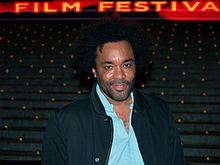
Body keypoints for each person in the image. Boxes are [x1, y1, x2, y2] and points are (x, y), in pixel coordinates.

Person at [42, 16, 186, 165]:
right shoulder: (65, 121)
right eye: (109, 67)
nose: (120, 75)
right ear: (94, 70)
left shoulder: (159, 111)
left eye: (127, 65)